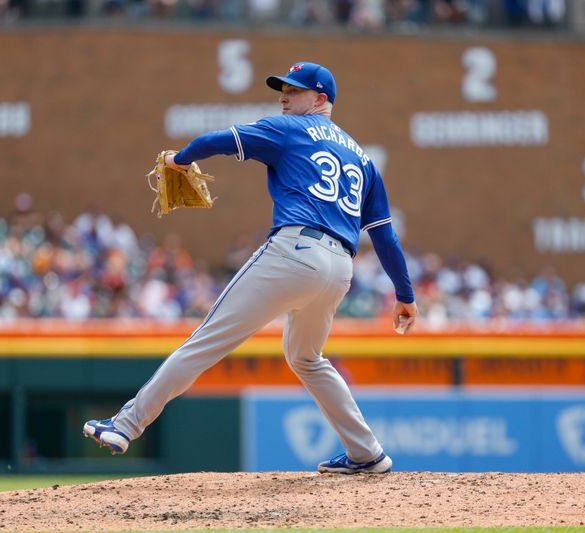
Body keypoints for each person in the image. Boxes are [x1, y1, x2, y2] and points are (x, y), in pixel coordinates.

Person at [83, 62, 418, 474]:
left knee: (207, 339)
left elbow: (216, 140)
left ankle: (124, 424)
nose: (283, 96)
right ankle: (367, 454)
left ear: (320, 99)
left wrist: (179, 160)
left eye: (293, 90)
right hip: (338, 270)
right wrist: (405, 294)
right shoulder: (362, 158)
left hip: (294, 251)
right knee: (307, 358)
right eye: (282, 88)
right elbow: (384, 235)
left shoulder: (291, 129)